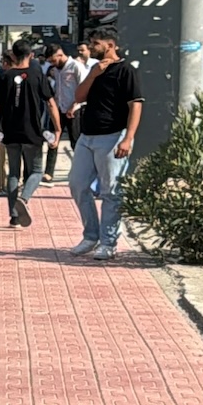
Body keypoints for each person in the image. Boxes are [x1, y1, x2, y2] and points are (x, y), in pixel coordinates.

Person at [68, 27, 143, 260]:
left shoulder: (126, 71)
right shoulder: (94, 69)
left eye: (96, 44)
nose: (91, 48)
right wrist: (92, 75)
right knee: (77, 184)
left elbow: (136, 105)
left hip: (113, 137)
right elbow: (79, 97)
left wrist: (128, 138)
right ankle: (91, 236)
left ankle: (108, 242)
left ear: (110, 45)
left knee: (111, 191)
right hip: (87, 137)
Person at [0, 40, 60, 227]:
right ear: (31, 55)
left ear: (13, 55)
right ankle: (24, 198)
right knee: (37, 170)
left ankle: (14, 216)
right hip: (33, 132)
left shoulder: (4, 76)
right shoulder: (38, 75)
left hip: (10, 132)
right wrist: (58, 129)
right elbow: (51, 103)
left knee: (13, 172)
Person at [44, 41, 91, 183]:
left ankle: (80, 172)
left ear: (60, 54)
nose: (53, 63)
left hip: (74, 109)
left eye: (54, 60)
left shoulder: (76, 66)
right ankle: (48, 172)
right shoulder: (56, 70)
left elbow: (84, 87)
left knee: (75, 142)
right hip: (59, 108)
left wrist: (74, 105)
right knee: (53, 139)